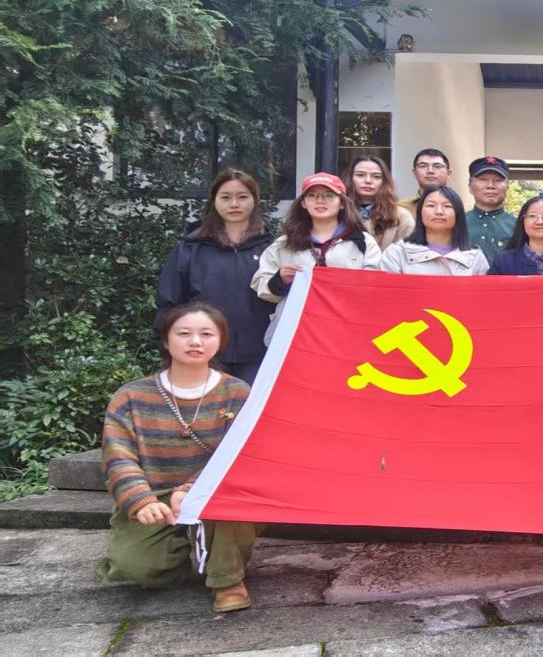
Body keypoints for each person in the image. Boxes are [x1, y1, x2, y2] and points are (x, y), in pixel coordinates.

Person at [98, 302, 259, 612]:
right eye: (184, 333)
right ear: (166, 339)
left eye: (206, 334)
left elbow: (241, 454)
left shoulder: (237, 393)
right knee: (137, 567)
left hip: (215, 492)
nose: (195, 342)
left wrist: (190, 489)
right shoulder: (131, 396)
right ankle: (185, 552)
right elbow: (118, 456)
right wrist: (141, 501)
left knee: (234, 498)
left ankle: (227, 580)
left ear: (220, 341)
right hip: (155, 496)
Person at [155, 169, 274, 385]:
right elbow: (169, 302)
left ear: (255, 200)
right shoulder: (190, 248)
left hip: (260, 353)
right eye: (225, 197)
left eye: (242, 197)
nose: (234, 204)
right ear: (213, 201)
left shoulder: (273, 248)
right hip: (203, 352)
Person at [252, 173, 381, 342]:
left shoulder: (363, 241)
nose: (320, 201)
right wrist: (280, 281)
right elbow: (260, 285)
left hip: (348, 329)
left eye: (329, 195)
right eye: (312, 196)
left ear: (342, 203)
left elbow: (377, 286)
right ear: (303, 203)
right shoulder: (284, 244)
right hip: (296, 332)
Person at [380, 185, 490, 276]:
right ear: (420, 213)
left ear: (458, 214)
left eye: (447, 206)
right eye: (431, 205)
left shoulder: (476, 258)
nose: (439, 211)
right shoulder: (397, 254)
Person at [342, 154, 415, 249]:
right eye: (360, 175)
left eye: (376, 176)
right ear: (350, 178)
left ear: (384, 182)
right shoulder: (337, 212)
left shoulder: (401, 216)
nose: (368, 181)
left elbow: (411, 252)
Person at [465, 156, 516, 264]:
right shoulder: (457, 223)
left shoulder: (518, 226)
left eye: (498, 180)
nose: (490, 186)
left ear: (507, 187)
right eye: (483, 180)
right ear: (470, 186)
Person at [399, 148, 452, 214]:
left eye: (437, 166)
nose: (430, 171)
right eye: (423, 166)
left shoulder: (461, 208)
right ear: (414, 173)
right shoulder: (398, 209)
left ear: (448, 173)